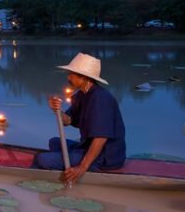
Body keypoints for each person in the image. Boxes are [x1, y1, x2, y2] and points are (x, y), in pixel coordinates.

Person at [34, 52, 127, 184]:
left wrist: (82, 167)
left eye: (72, 74)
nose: (68, 77)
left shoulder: (100, 98)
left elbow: (100, 138)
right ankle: (71, 157)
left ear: (84, 77)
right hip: (86, 146)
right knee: (54, 142)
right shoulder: (81, 95)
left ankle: (81, 163)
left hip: (105, 157)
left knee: (42, 159)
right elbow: (67, 121)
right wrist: (57, 110)